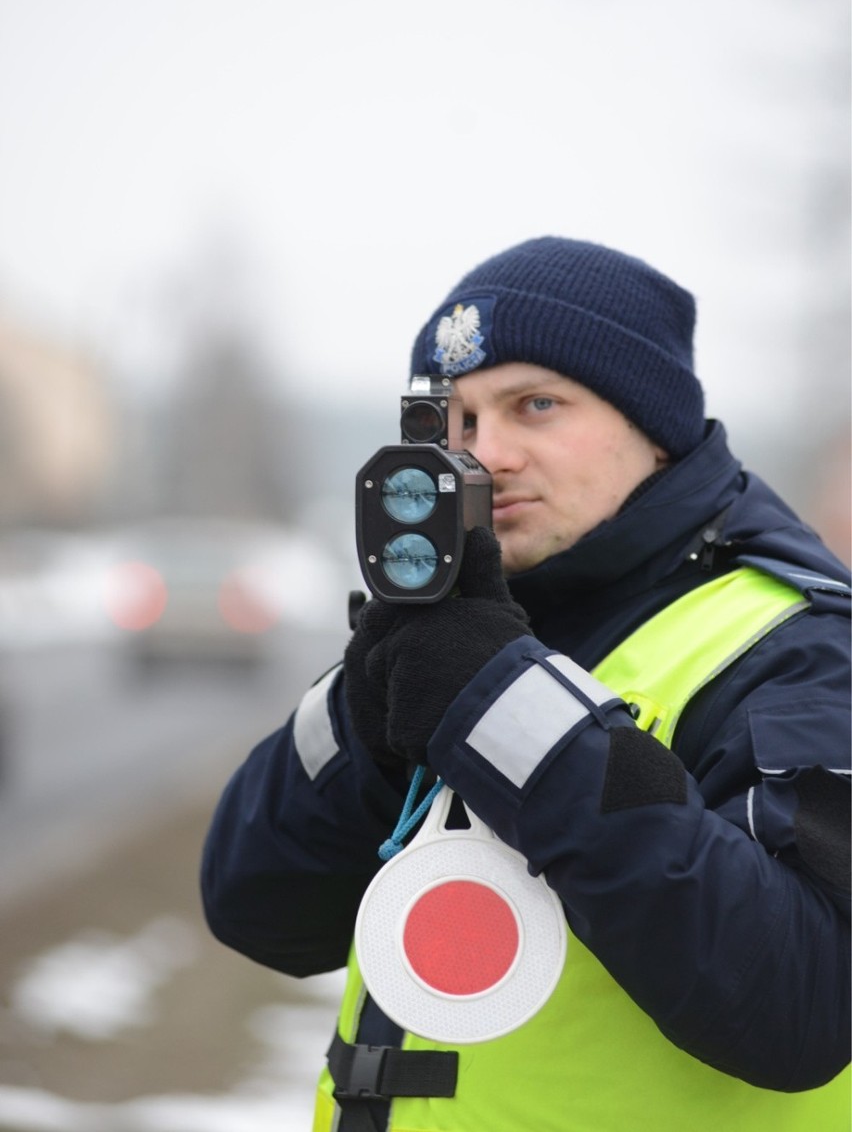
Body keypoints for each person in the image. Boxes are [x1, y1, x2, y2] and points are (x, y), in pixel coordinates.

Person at [201, 237, 851, 1131]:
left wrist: (504, 707)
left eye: (535, 405)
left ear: (654, 429)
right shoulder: (452, 622)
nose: (486, 455)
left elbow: (802, 1005)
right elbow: (258, 909)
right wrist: (374, 697)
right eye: (455, 421)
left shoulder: (800, 647)